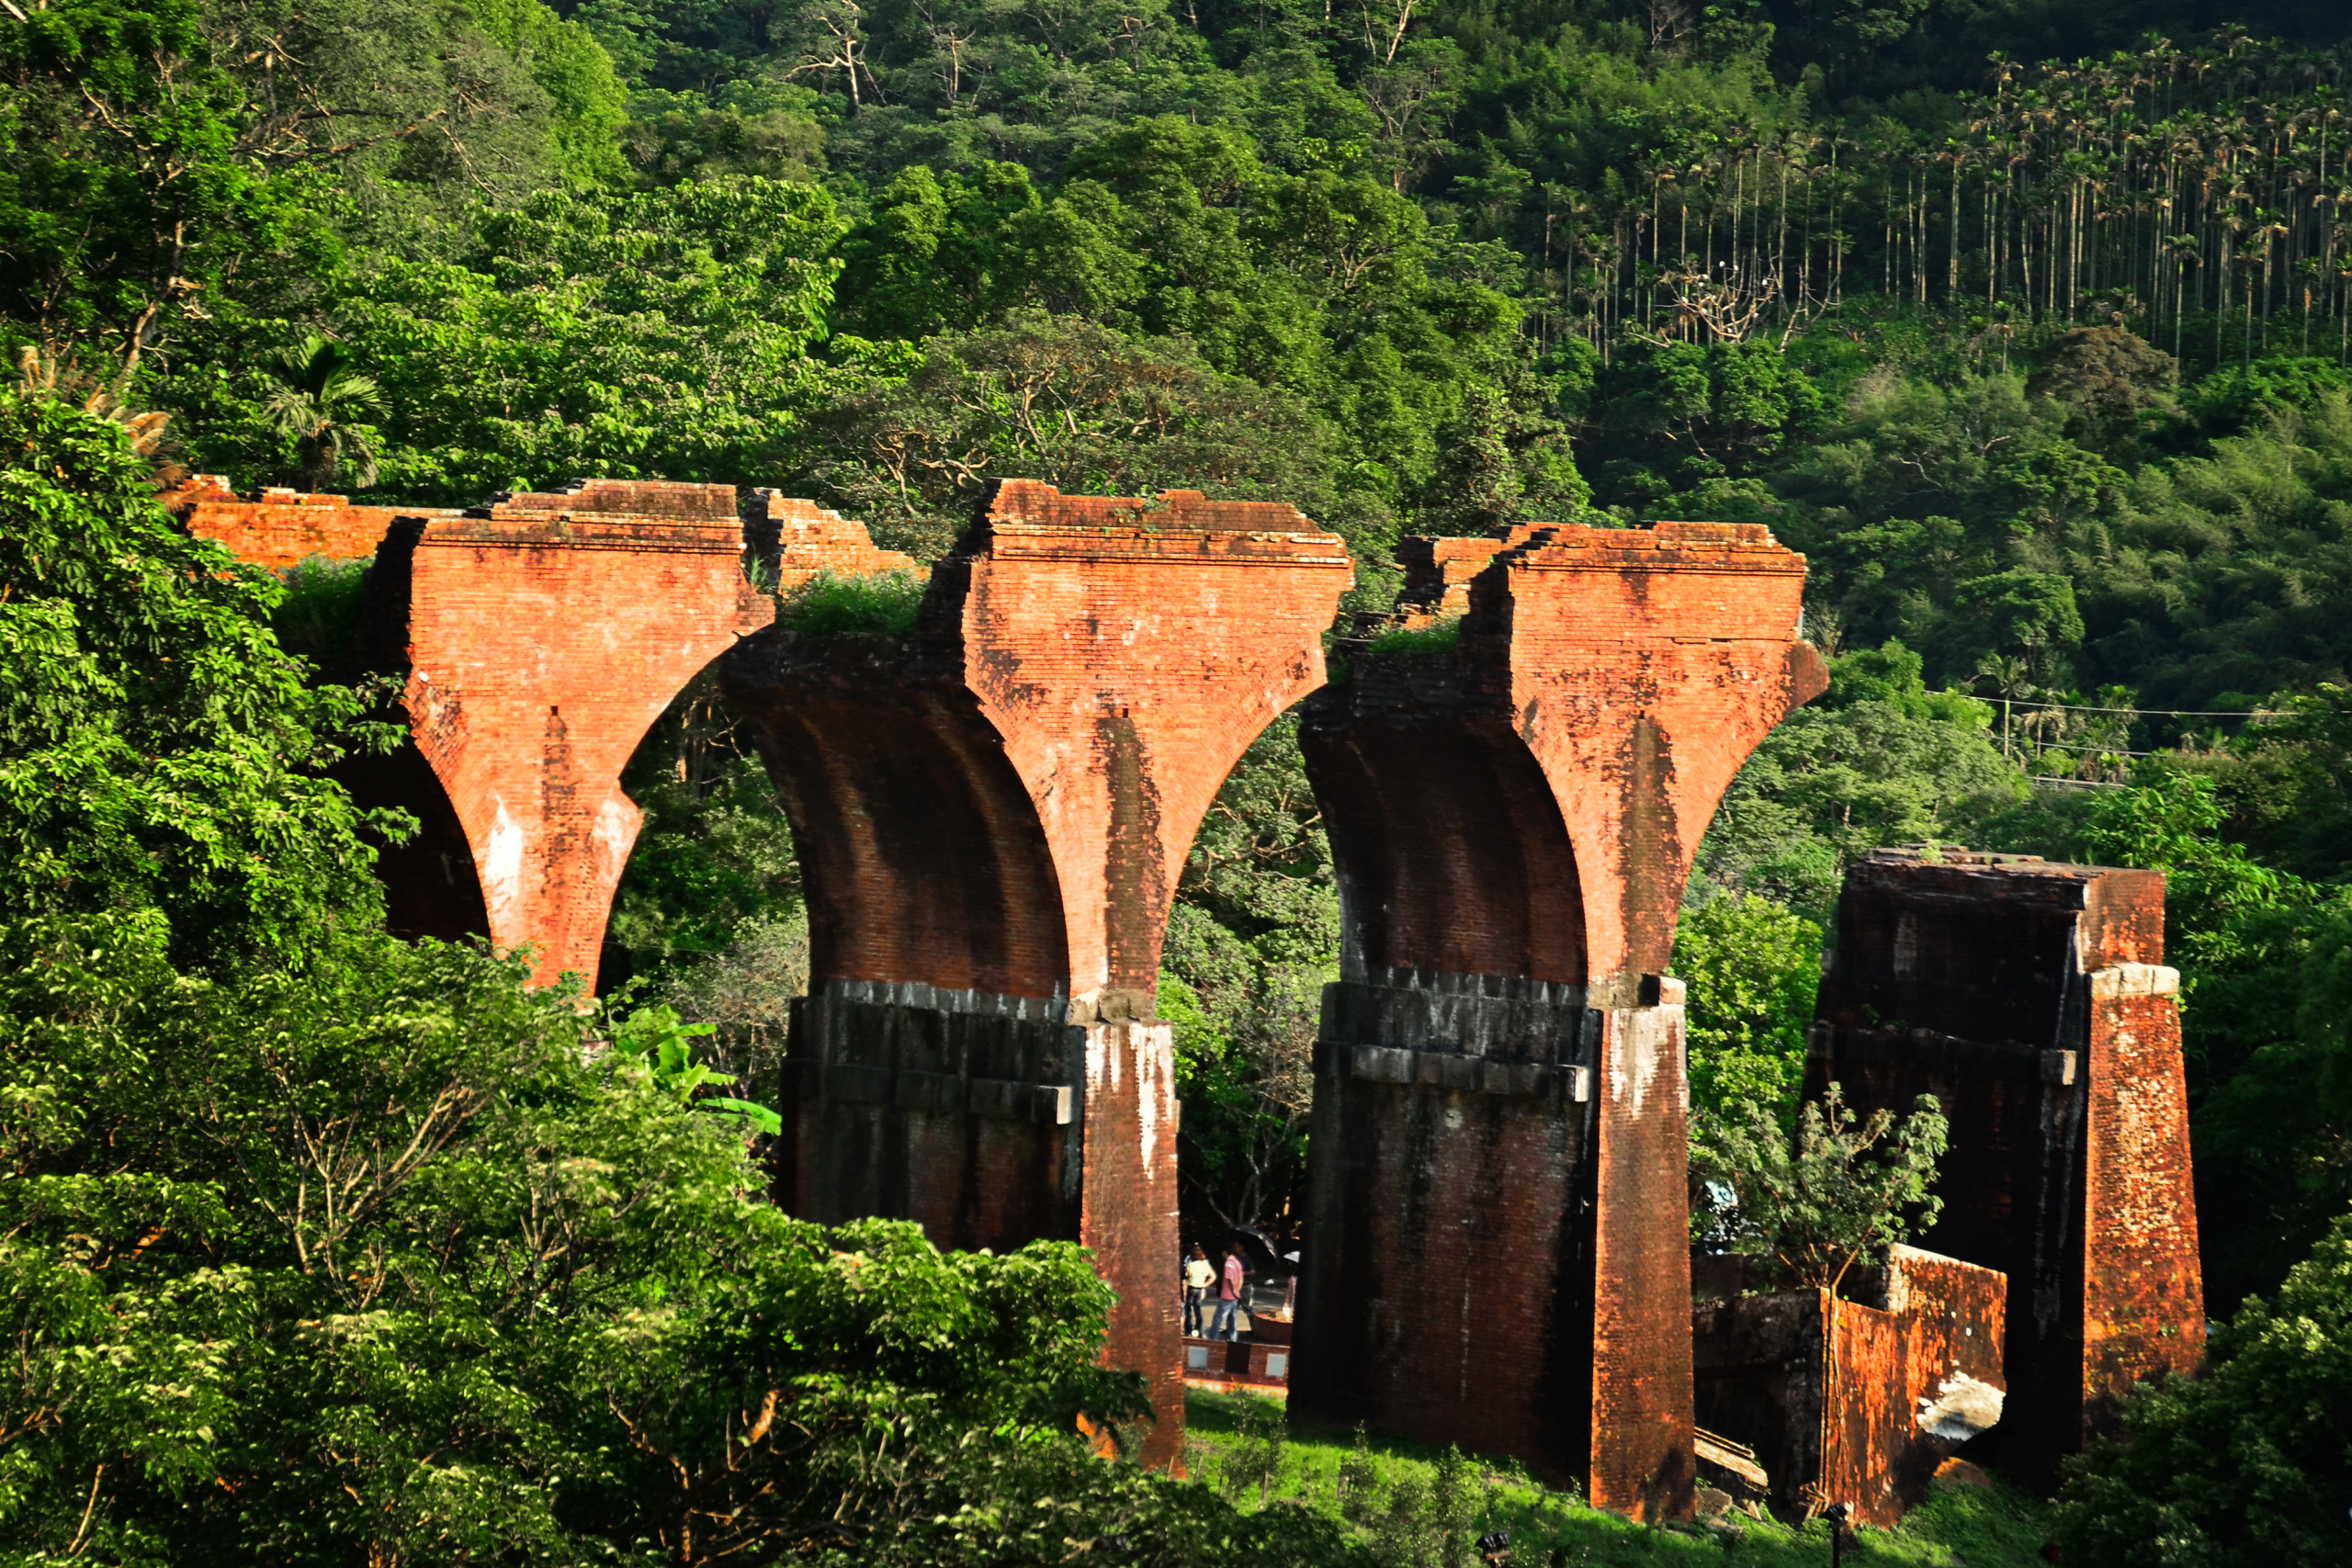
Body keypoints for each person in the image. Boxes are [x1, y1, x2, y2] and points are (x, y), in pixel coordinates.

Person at [1210, 1247, 1245, 1341]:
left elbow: (1230, 1279)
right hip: (1235, 1296)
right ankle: (1232, 1337)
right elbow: (1241, 1278)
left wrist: (1233, 1290)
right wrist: (1238, 1290)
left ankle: (1213, 1337)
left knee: (1218, 1317)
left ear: (1225, 1252)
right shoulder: (1237, 1263)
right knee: (1232, 1317)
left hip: (1227, 1295)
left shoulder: (1228, 1264)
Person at [1182, 1244, 1215, 1337]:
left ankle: (1188, 1331)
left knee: (1188, 1310)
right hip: (1200, 1289)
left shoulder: (1191, 1265)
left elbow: (1185, 1276)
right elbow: (1213, 1276)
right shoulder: (1205, 1265)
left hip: (1191, 1288)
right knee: (1198, 1311)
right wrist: (1205, 1284)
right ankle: (1200, 1331)